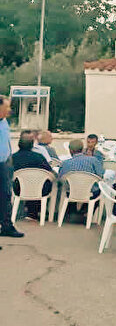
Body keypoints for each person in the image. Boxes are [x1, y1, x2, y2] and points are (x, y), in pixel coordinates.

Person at [11, 131, 54, 221]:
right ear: (32, 145)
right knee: (42, 183)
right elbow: (50, 172)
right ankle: (34, 213)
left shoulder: (12, 158)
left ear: (19, 144)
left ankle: (26, 212)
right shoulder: (39, 157)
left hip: (19, 189)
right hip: (39, 190)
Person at [0, 95, 23, 241]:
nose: (9, 110)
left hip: (5, 164)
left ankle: (7, 226)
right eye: (6, 106)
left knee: (6, 196)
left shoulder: (4, 122)